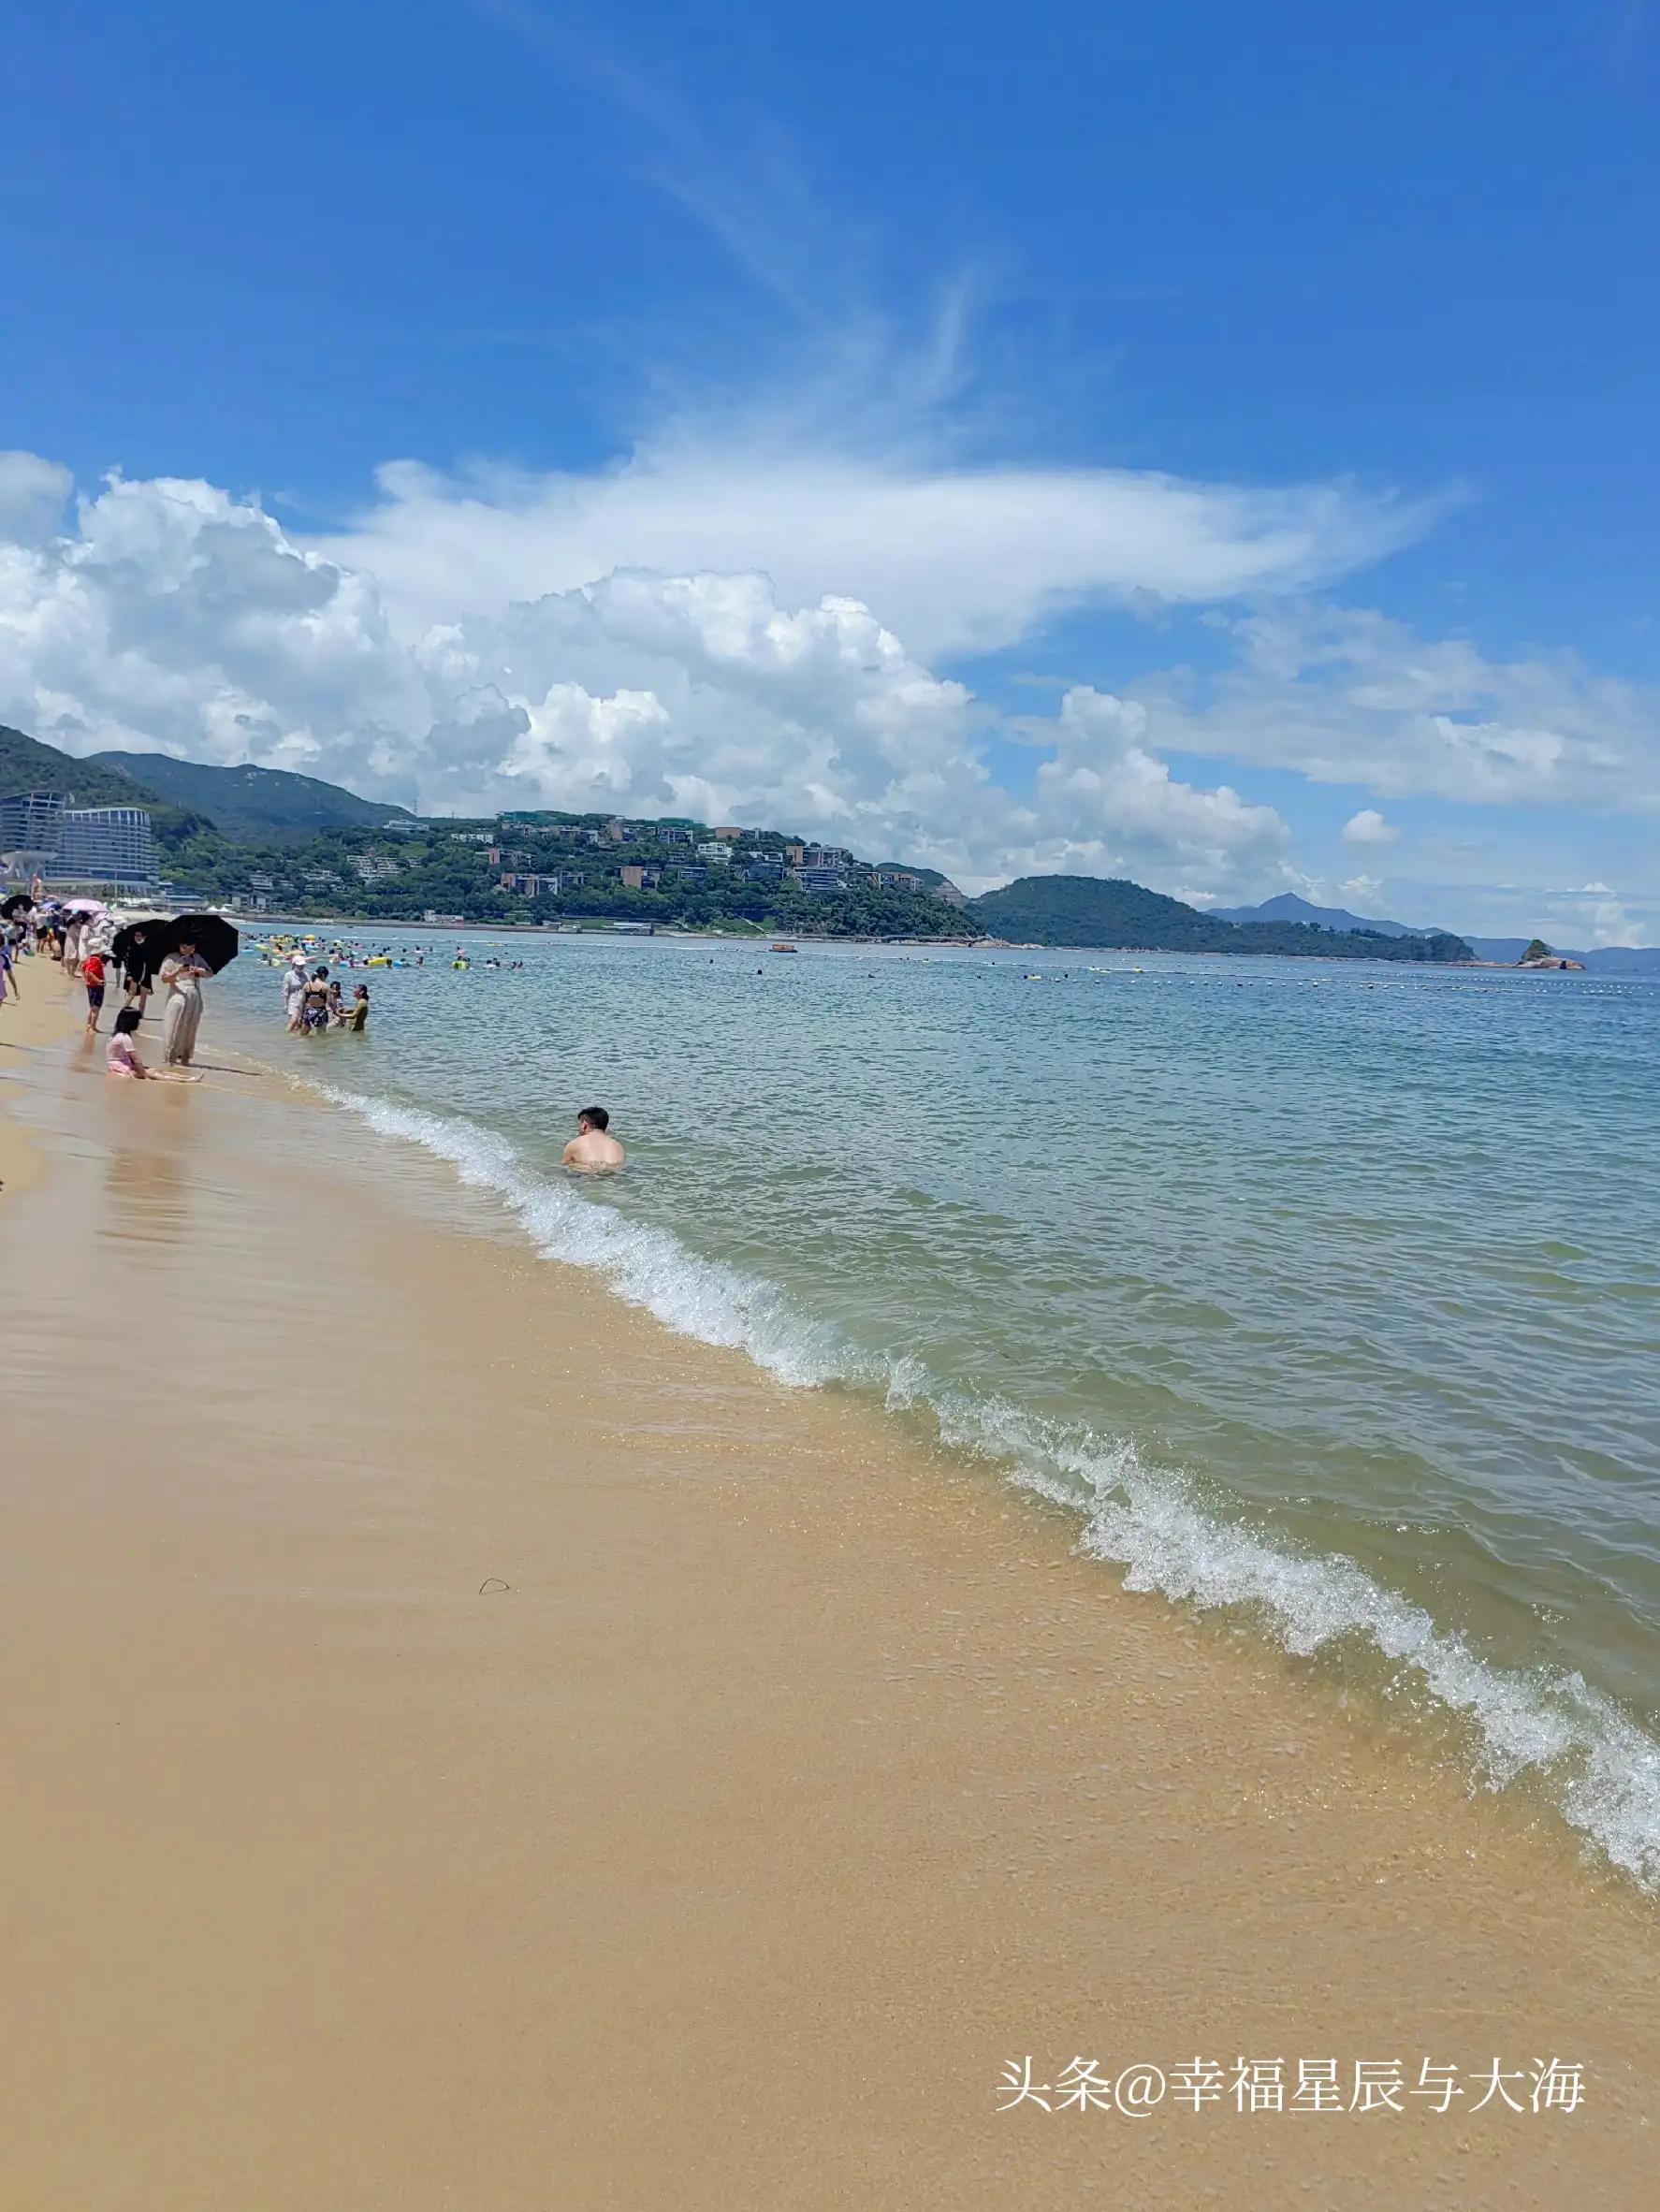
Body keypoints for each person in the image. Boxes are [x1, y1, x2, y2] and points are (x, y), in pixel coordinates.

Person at [107, 1006, 200, 1082]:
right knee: (153, 1073)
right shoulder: (124, 1037)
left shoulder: (116, 1035)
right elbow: (136, 1059)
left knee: (154, 1070)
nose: (138, 1024)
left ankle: (186, 1078)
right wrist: (145, 1076)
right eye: (137, 1021)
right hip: (121, 1068)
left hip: (117, 1066)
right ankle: (186, 1080)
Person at [158, 939, 210, 1066]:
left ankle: (185, 1056)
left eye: (189, 947)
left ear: (194, 947)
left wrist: (200, 971)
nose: (185, 949)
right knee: (173, 1026)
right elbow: (164, 979)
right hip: (177, 994)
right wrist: (178, 971)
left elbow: (209, 973)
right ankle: (169, 1056)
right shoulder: (171, 958)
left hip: (194, 995)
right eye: (183, 946)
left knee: (190, 1027)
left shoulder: (197, 958)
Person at [561, 1105, 625, 1171]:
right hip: (613, 1177)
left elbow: (563, 1168)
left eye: (579, 1124)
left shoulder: (574, 1144)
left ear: (584, 1124)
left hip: (588, 1177)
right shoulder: (618, 1146)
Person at [82, 946, 107, 1035]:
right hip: (96, 986)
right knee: (96, 1008)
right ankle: (92, 1027)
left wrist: (85, 979)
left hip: (90, 986)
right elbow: (90, 972)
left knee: (92, 1007)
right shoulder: (96, 960)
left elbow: (83, 968)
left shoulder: (89, 959)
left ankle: (89, 1025)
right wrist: (98, 981)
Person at [282, 953, 308, 1032]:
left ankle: (295, 1039)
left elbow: (309, 987)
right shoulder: (289, 975)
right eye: (299, 965)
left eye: (302, 965)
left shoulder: (305, 974)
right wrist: (285, 1004)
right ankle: (286, 1034)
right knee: (294, 1019)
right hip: (293, 998)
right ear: (294, 964)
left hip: (303, 999)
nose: (301, 967)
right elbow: (285, 991)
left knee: (300, 1021)